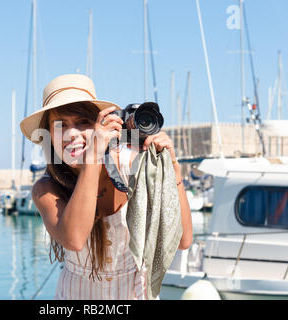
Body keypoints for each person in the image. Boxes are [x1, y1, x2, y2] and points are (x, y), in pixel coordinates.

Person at [20, 74, 192, 300]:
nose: (73, 134)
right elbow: (74, 239)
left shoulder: (131, 165)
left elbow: (183, 240)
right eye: (61, 125)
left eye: (82, 122)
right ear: (49, 135)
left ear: (98, 125)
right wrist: (93, 155)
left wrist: (172, 169)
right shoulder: (46, 188)